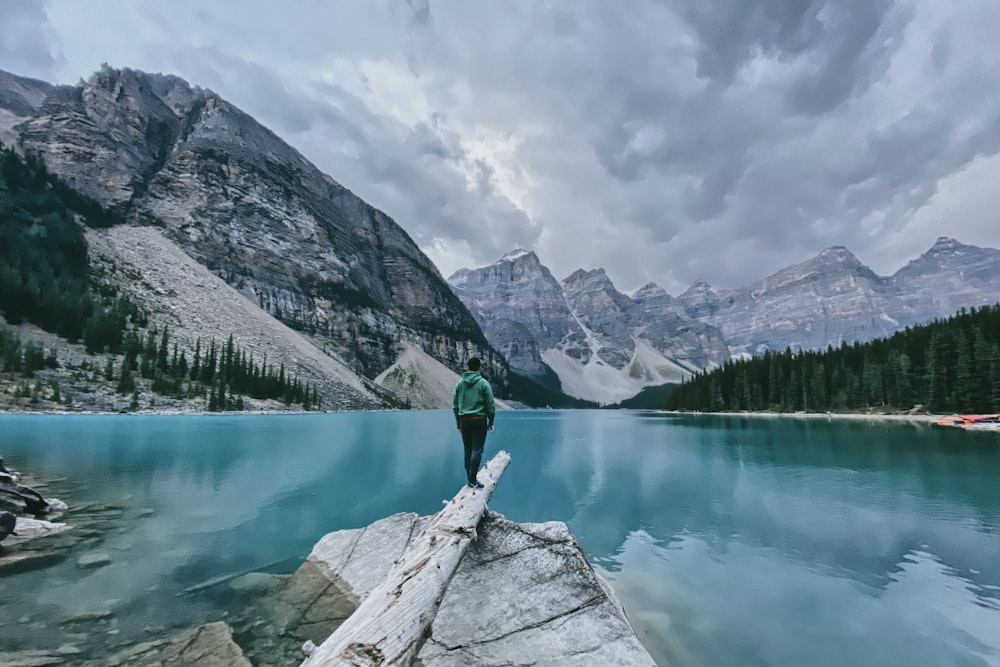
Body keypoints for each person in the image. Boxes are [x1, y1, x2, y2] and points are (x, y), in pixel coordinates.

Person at [453, 357, 495, 489]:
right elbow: (490, 405)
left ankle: (470, 478)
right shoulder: (483, 383)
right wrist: (491, 421)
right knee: (477, 449)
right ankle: (472, 479)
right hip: (479, 420)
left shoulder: (460, 384)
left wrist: (458, 421)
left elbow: (455, 405)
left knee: (468, 449)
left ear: (468, 367)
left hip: (464, 420)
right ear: (479, 368)